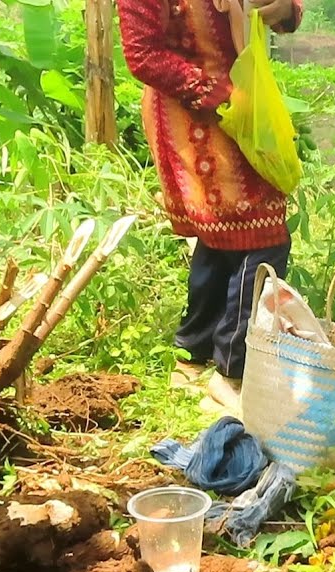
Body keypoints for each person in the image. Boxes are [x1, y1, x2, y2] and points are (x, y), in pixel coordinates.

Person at [117, 0, 303, 408]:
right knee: (260, 233)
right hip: (195, 117)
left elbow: (285, 13)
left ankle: (193, 355)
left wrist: (282, 9)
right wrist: (212, 91)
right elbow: (142, 53)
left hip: (243, 106)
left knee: (224, 231)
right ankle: (232, 371)